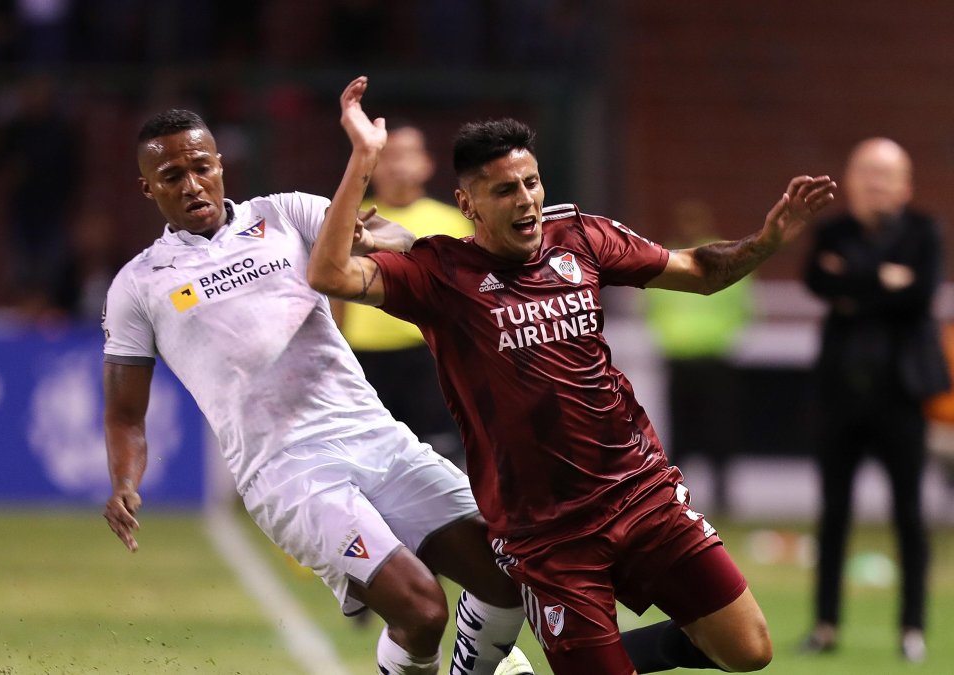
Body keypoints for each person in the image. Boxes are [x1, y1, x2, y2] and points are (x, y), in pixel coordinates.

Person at [309, 76, 837, 674]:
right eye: (505, 190)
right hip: (547, 537)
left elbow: (698, 269)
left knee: (749, 651)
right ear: (468, 205)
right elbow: (329, 276)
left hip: (641, 494)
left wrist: (766, 241)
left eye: (532, 183)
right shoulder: (439, 276)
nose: (526, 200)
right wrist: (363, 159)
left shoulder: (581, 237)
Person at [99, 108, 535, 675]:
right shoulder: (139, 284)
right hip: (288, 472)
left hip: (375, 436)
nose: (192, 185)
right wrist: (124, 484)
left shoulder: (286, 213)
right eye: (172, 177)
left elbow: (391, 238)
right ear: (147, 187)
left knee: (507, 577)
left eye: (201, 168)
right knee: (423, 610)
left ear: (221, 165)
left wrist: (381, 241)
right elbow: (125, 414)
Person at [799, 137, 948, 663]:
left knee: (909, 513)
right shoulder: (831, 230)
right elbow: (816, 280)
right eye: (864, 172)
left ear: (904, 186)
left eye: (884, 175)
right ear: (848, 178)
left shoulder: (924, 232)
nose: (874, 184)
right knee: (833, 512)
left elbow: (918, 292)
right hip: (839, 394)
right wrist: (882, 278)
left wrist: (853, 282)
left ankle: (912, 628)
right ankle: (824, 625)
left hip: (901, 396)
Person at [336, 123, 471, 468]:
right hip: (365, 358)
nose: (397, 165)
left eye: (406, 155)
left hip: (429, 355)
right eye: (387, 157)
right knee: (375, 460)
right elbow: (333, 290)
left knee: (439, 455)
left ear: (426, 163)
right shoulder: (351, 220)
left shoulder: (454, 222)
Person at [644, 200, 753, 515]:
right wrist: (672, 337)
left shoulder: (722, 260)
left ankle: (722, 497)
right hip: (680, 357)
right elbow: (654, 308)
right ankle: (677, 497)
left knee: (719, 430)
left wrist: (717, 335)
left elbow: (743, 308)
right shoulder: (667, 261)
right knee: (680, 432)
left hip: (715, 357)